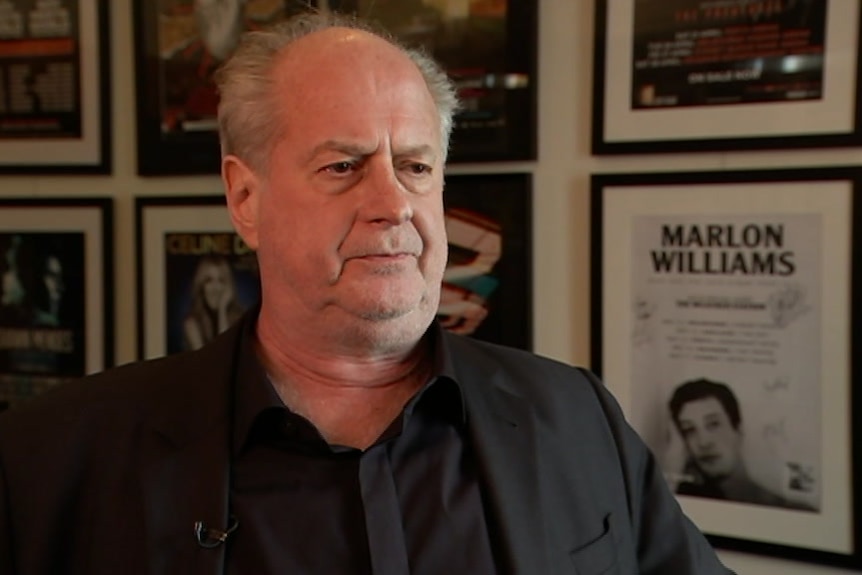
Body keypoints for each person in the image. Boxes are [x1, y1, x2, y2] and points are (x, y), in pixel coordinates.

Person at [0, 11, 733, 574]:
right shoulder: (56, 457)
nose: (394, 204)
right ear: (245, 195)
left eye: (415, 166)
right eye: (344, 165)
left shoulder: (577, 416)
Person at [668, 378, 811, 511]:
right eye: (689, 430)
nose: (703, 442)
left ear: (738, 429)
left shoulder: (792, 510)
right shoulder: (684, 508)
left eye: (713, 424)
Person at [182, 255, 245, 350]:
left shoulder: (241, 318)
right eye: (209, 281)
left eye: (221, 280)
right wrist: (222, 310)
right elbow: (216, 360)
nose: (215, 288)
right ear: (201, 287)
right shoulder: (192, 323)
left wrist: (222, 310)